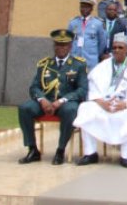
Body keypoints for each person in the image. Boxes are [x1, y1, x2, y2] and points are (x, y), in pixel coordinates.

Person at [73, 33, 127, 167]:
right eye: (114, 47)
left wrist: (125, 104)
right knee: (85, 108)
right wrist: (102, 103)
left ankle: (126, 156)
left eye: (120, 47)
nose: (116, 50)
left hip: (125, 104)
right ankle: (90, 153)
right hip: (105, 104)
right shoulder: (104, 65)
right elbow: (93, 87)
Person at [18, 29, 88, 165]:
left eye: (64, 45)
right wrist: (42, 100)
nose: (60, 48)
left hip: (66, 102)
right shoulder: (44, 64)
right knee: (25, 108)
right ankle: (33, 149)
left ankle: (60, 150)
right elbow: (34, 87)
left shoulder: (78, 64)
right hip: (45, 102)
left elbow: (82, 90)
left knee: (71, 110)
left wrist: (61, 101)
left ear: (70, 47)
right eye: (57, 44)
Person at [68, 0, 107, 69]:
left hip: (90, 61)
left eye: (87, 7)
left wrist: (94, 55)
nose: (84, 9)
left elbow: (102, 43)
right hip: (75, 60)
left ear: (91, 9)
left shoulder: (98, 23)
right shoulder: (73, 23)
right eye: (82, 6)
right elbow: (69, 41)